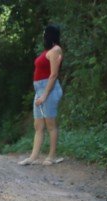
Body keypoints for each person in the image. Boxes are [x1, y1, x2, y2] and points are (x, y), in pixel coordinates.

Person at [19, 25, 64, 166]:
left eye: (45, 32)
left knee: (50, 124)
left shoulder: (56, 50)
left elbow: (54, 74)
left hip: (48, 90)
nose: (43, 35)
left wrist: (44, 95)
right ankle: (33, 157)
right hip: (40, 90)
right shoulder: (47, 51)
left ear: (50, 34)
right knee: (38, 125)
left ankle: (51, 156)